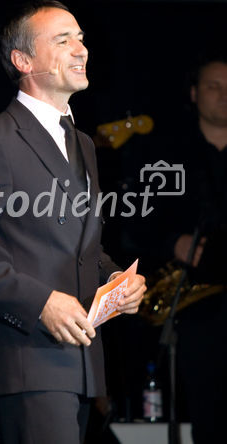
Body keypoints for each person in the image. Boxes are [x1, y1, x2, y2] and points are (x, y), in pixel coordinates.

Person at [0, 0, 146, 444]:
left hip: (83, 366)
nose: (81, 49)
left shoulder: (84, 144)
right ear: (23, 60)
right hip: (29, 359)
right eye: (63, 39)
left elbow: (80, 247)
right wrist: (41, 302)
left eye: (82, 38)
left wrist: (116, 281)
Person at [117, 51, 227, 442]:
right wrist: (173, 242)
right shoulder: (167, 154)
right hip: (196, 307)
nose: (223, 95)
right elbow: (134, 225)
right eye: (214, 86)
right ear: (194, 94)